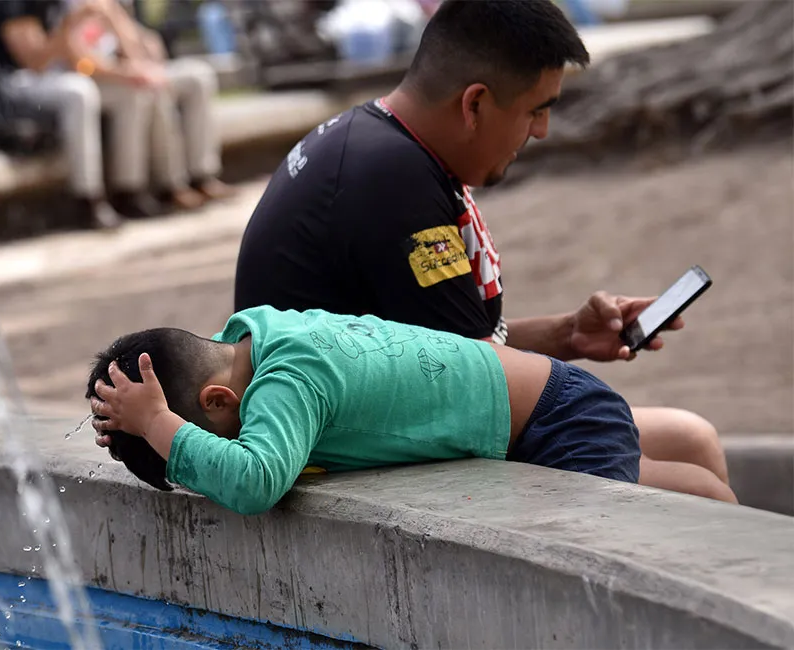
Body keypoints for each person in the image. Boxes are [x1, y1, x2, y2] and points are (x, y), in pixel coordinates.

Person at [230, 0, 736, 503]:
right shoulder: (391, 184)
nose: (541, 131)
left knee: (693, 439)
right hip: (365, 453)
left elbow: (451, 347)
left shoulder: (390, 146)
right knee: (705, 495)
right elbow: (470, 380)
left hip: (406, 413)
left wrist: (569, 333)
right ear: (475, 104)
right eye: (536, 110)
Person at [86, 306, 642, 515]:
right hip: (546, 410)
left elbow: (256, 482)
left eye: (212, 440)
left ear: (218, 401)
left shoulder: (287, 382)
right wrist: (137, 419)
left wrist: (158, 424)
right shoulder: (250, 336)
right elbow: (178, 363)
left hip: (559, 423)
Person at [0, 0, 147, 228]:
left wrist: (113, 18)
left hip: (52, 80)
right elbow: (35, 62)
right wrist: (70, 24)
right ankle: (88, 200)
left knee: (127, 92)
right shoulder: (12, 4)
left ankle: (128, 191)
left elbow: (79, 59)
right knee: (79, 93)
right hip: (7, 87)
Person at [78, 0, 237, 213]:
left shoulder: (113, 7)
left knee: (198, 76)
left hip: (132, 70)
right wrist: (130, 73)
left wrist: (116, 18)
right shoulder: (69, 8)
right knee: (149, 90)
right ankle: (169, 186)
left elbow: (145, 50)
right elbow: (80, 63)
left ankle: (202, 175)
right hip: (102, 78)